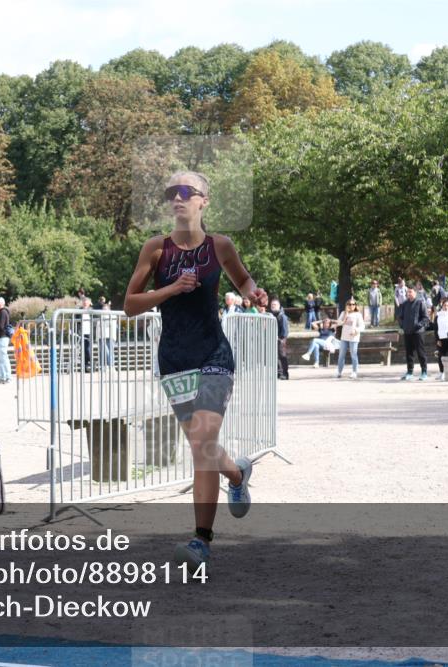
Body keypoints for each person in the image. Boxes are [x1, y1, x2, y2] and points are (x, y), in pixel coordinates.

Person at [122, 170, 267, 573]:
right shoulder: (155, 249)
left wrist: (253, 293)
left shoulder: (221, 245)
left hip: (213, 355)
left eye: (187, 192)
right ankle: (237, 474)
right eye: (172, 192)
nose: (178, 198)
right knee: (202, 447)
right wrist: (170, 290)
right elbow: (130, 304)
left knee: (203, 445)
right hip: (174, 359)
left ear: (204, 201)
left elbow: (242, 280)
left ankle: (201, 541)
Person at [397, 287, 429, 380]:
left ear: (415, 293)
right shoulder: (405, 304)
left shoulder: (420, 302)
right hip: (407, 332)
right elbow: (400, 317)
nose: (409, 294)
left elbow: (425, 318)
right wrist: (403, 326)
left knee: (420, 352)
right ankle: (410, 372)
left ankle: (424, 371)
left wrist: (417, 325)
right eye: (408, 292)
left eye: (410, 292)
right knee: (409, 353)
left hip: (418, 332)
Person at [333, 298, 365, 378]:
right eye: (349, 304)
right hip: (344, 338)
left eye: (353, 304)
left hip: (354, 338)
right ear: (346, 305)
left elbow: (362, 326)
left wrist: (356, 330)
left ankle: (354, 372)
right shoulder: (343, 313)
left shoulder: (358, 314)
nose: (351, 306)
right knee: (341, 355)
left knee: (353, 355)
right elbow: (339, 323)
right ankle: (339, 372)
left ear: (355, 306)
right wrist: (346, 315)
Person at [270, 298, 289, 380]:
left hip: (280, 339)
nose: (273, 306)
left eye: (274, 305)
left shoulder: (282, 316)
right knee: (275, 356)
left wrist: (281, 338)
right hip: (274, 338)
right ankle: (279, 372)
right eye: (272, 305)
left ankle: (285, 373)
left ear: (279, 306)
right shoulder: (272, 315)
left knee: (282, 356)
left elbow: (285, 330)